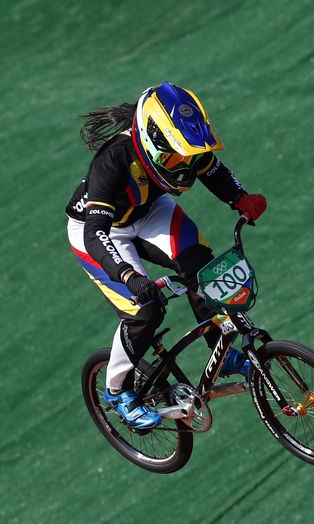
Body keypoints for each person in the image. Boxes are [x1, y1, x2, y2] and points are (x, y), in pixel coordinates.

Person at [65, 82, 267, 430]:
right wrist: (129, 276)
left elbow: (212, 170)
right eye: (176, 157)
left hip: (148, 210)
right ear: (151, 144)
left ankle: (222, 350)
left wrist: (239, 197)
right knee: (146, 309)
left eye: (188, 155)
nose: (185, 165)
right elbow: (95, 234)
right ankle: (116, 391)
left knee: (204, 268)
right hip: (100, 231)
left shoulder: (182, 148)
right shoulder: (112, 162)